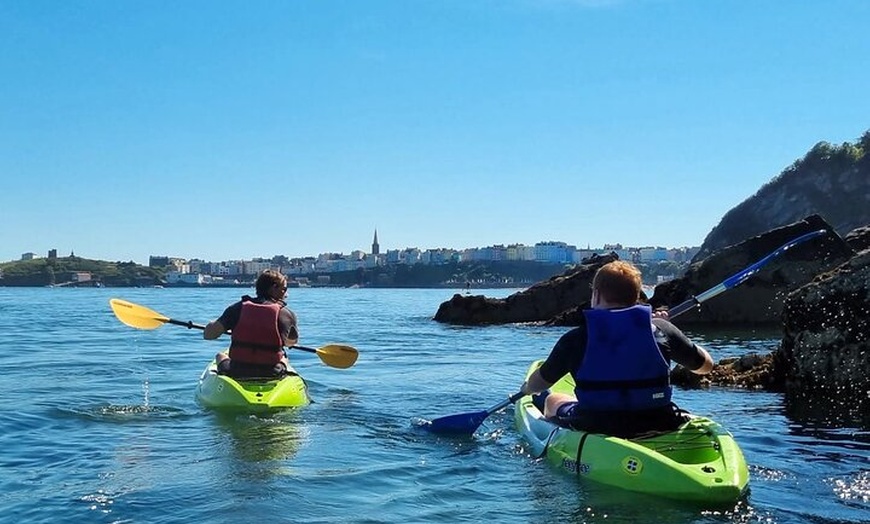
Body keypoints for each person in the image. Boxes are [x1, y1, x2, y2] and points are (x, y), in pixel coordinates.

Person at [519, 260, 714, 438]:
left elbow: (539, 385)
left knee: (553, 399)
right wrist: (668, 330)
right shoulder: (661, 330)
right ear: (636, 296)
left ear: (596, 294)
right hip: (660, 421)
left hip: (596, 424)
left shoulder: (575, 339)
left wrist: (527, 388)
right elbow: (705, 367)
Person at [203, 269, 299, 378]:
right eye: (284, 289)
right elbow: (290, 343)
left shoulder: (237, 308)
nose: (286, 294)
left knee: (220, 356)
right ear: (274, 288)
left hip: (236, 371)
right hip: (272, 372)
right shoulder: (286, 314)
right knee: (284, 359)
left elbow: (208, 335)